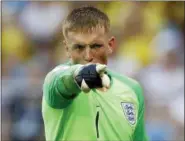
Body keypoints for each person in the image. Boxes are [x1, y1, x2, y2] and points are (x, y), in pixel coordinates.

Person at [42, 6, 148, 141]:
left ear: (110, 45)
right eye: (79, 47)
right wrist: (80, 76)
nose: (88, 55)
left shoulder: (132, 88)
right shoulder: (54, 78)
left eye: (96, 46)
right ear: (67, 49)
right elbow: (63, 82)